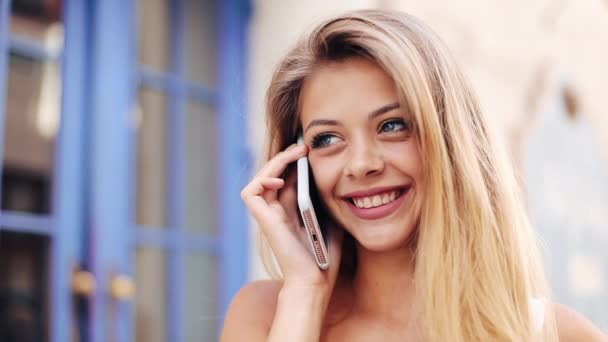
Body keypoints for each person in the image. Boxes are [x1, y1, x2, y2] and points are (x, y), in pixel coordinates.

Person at [221, 9, 607, 342]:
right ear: (297, 171)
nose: (361, 164)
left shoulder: (556, 334)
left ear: (451, 142)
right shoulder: (265, 317)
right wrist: (305, 294)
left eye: (392, 126)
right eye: (327, 138)